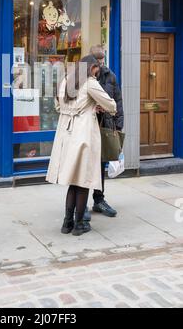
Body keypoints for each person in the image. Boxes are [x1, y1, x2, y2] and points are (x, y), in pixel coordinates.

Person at [46, 55, 117, 236]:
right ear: (91, 67)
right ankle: (79, 225)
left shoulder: (65, 81)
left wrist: (88, 105)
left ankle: (66, 223)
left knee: (73, 181)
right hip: (83, 133)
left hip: (65, 134)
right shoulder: (90, 83)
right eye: (97, 69)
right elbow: (111, 105)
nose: (98, 72)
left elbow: (57, 106)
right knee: (83, 180)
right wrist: (93, 106)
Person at [89, 45, 124, 218]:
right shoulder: (84, 77)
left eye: (103, 61)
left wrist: (118, 125)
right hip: (87, 125)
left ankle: (99, 199)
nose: (101, 65)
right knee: (86, 164)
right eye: (98, 62)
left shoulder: (111, 76)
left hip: (104, 125)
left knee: (101, 163)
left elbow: (118, 100)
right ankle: (79, 206)